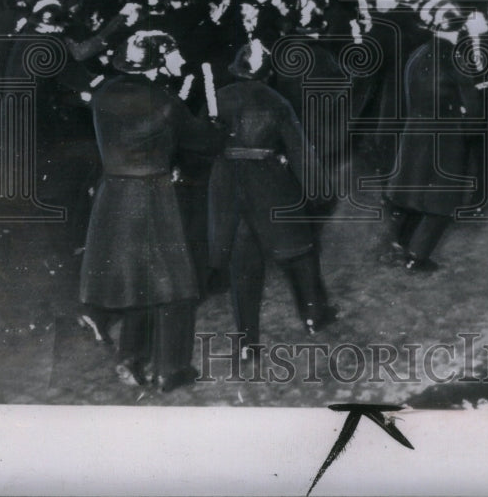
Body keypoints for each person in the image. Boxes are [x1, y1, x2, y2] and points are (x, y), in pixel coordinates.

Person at [78, 31, 222, 392]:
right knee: (175, 287)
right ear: (157, 63)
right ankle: (169, 371)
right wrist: (214, 115)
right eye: (169, 55)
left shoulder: (103, 94)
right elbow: (204, 142)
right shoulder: (164, 102)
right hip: (152, 196)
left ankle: (131, 356)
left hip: (113, 194)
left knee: (136, 281)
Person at [207, 40, 336, 360]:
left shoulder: (218, 98)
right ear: (268, 73)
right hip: (271, 187)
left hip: (229, 188)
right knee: (301, 253)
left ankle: (248, 344)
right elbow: (299, 152)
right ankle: (313, 315)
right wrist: (321, 193)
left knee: (243, 269)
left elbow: (204, 143)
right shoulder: (276, 101)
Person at [384, 2, 480, 273]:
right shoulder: (456, 58)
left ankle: (400, 242)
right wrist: (468, 128)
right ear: (459, 28)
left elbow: (407, 95)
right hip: (446, 137)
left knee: (413, 191)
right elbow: (472, 107)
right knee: (442, 201)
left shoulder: (418, 54)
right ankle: (418, 256)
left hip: (415, 130)